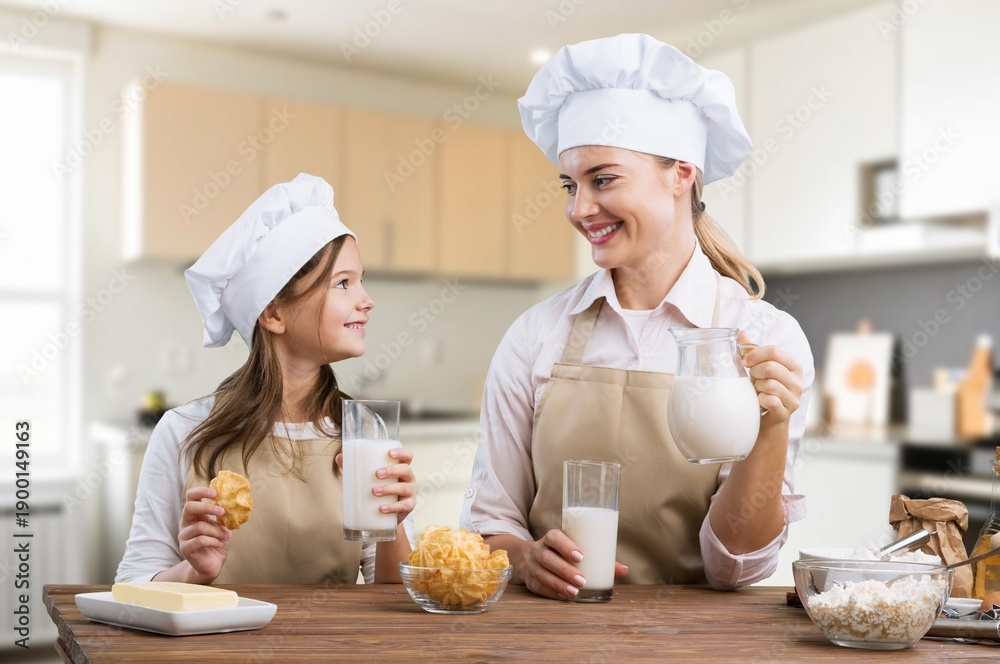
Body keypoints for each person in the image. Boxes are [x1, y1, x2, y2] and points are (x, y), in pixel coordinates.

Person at [460, 34, 814, 597]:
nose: (579, 209)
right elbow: (487, 524)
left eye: (603, 179)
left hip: (693, 648)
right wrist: (525, 558)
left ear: (681, 173)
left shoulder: (766, 337)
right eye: (569, 185)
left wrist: (769, 427)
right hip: (545, 639)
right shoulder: (536, 335)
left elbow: (735, 568)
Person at [116, 174, 415, 585]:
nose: (367, 300)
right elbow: (133, 585)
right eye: (343, 283)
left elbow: (388, 601)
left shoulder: (362, 431)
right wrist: (193, 572)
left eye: (361, 280)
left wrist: (393, 526)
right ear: (273, 313)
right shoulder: (183, 431)